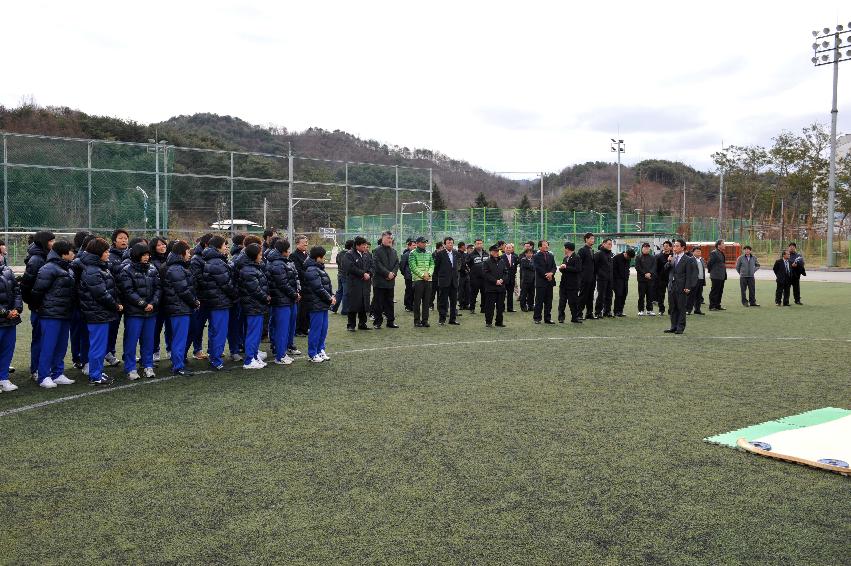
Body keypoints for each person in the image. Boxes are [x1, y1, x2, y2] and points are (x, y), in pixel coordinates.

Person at [30, 240, 76, 389]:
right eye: (71, 251)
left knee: (61, 345)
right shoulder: (48, 268)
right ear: (64, 253)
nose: (73, 253)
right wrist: (38, 307)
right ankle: (44, 376)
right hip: (51, 314)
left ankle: (58, 373)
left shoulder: (68, 269)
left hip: (64, 313)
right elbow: (37, 291)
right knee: (48, 346)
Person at [78, 237, 122, 386]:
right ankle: (95, 375)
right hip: (97, 314)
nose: (108, 253)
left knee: (99, 346)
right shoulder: (93, 270)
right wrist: (115, 305)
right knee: (97, 346)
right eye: (106, 251)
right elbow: (101, 294)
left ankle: (97, 371)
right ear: (98, 253)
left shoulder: (98, 267)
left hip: (100, 313)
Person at [118, 243, 161, 380]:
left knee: (148, 341)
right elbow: (128, 291)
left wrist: (152, 303)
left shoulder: (153, 269)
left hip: (151, 312)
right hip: (134, 313)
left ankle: (148, 365)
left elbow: (158, 289)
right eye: (143, 255)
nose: (146, 257)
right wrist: (142, 304)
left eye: (148, 254)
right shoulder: (126, 270)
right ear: (136, 255)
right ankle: (130, 368)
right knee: (131, 341)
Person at [199, 235, 239, 370]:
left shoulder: (214, 260)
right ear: (217, 247)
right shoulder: (217, 262)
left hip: (217, 301)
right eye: (224, 245)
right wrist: (235, 295)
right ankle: (216, 360)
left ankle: (214, 356)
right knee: (219, 332)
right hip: (219, 302)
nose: (227, 247)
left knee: (215, 330)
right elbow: (226, 284)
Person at [160, 240, 198, 376]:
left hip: (180, 308)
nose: (190, 255)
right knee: (179, 338)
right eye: (188, 252)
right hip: (179, 308)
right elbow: (183, 290)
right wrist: (194, 302)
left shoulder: (177, 267)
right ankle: (178, 366)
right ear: (181, 253)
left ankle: (179, 364)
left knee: (180, 337)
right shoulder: (176, 268)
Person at [20, 230, 55, 380]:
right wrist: (34, 304)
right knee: (39, 339)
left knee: (48, 339)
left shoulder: (47, 256)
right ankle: (36, 370)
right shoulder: (36, 260)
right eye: (51, 241)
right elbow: (26, 286)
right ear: (43, 242)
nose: (53, 243)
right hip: (39, 308)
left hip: (48, 306)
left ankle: (45, 368)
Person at [267, 239, 300, 365]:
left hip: (286, 299)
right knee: (281, 329)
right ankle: (280, 356)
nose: (289, 251)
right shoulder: (277, 264)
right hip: (281, 301)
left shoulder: (282, 262)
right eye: (288, 249)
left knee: (284, 328)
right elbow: (283, 283)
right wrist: (294, 294)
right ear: (284, 251)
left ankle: (282, 352)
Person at [238, 243, 271, 369]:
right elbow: (255, 289)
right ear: (254, 255)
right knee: (253, 333)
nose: (261, 256)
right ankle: (249, 360)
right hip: (253, 305)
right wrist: (265, 297)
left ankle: (254, 356)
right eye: (260, 254)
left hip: (257, 305)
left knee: (256, 333)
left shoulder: (253, 267)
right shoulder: (248, 269)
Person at [302, 245, 335, 363]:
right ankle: (312, 353)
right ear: (318, 257)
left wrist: (332, 295)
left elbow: (325, 285)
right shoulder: (311, 269)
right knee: (316, 329)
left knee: (323, 329)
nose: (324, 258)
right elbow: (318, 288)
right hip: (315, 304)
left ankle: (320, 349)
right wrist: (329, 298)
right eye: (322, 256)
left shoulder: (318, 268)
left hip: (322, 304)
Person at [106, 228, 130, 367]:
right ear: (114, 240)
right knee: (112, 327)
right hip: (115, 299)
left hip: (129, 299)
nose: (123, 240)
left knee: (128, 327)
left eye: (126, 238)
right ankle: (109, 351)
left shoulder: (131, 255)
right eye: (120, 238)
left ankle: (123, 353)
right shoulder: (109, 256)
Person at [663, 239, 698, 335]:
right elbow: (666, 269)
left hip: (682, 287)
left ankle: (680, 327)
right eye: (674, 246)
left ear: (683, 247)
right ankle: (673, 326)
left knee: (681, 308)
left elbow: (690, 274)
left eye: (677, 246)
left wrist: (688, 287)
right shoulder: (672, 258)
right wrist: (669, 262)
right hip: (671, 286)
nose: (674, 248)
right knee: (672, 307)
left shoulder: (688, 259)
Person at [189, 233, 213, 360]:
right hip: (201, 298)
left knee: (213, 324)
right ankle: (197, 350)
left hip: (212, 297)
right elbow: (197, 279)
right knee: (198, 325)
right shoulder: (196, 259)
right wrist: (213, 284)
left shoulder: (210, 256)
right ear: (206, 244)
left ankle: (211, 349)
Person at [0, 255, 22, 392]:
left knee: (7, 350)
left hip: (9, 321)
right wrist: (4, 312)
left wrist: (16, 309)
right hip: (4, 317)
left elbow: (17, 291)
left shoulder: (7, 271)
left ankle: (3, 378)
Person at [148, 236, 171, 362]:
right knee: (156, 328)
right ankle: (155, 350)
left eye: (163, 244)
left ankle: (170, 349)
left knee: (170, 327)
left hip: (169, 300)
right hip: (157, 301)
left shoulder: (169, 259)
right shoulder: (151, 262)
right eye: (158, 245)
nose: (162, 247)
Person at [344, 236, 373, 331]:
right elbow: (350, 268)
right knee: (353, 304)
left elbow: (372, 265)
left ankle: (362, 323)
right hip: (354, 283)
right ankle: (351, 325)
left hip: (366, 283)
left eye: (366, 245)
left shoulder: (367, 254)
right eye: (363, 245)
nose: (365, 247)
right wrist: (362, 273)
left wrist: (369, 273)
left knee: (364, 304)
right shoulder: (349, 255)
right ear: (357, 245)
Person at [372, 231, 399, 329]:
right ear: (382, 238)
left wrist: (393, 273)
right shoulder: (376, 251)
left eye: (391, 238)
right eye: (388, 238)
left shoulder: (394, 251)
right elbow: (377, 265)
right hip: (379, 282)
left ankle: (390, 322)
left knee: (390, 303)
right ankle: (377, 322)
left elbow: (396, 264)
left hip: (390, 282)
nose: (390, 240)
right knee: (378, 303)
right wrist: (387, 273)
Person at [433, 236, 462, 325]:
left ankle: (452, 319)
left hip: (454, 282)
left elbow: (459, 264)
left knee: (453, 302)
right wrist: (440, 278)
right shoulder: (440, 254)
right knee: (443, 302)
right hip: (444, 282)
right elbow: (436, 268)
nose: (450, 244)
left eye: (451, 243)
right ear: (444, 244)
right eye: (448, 243)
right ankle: (442, 320)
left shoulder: (456, 253)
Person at [409, 236, 435, 328]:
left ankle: (425, 320)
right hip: (418, 280)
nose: (425, 244)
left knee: (426, 301)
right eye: (423, 242)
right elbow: (413, 266)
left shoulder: (428, 253)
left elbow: (432, 264)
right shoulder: (412, 253)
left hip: (428, 280)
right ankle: (417, 321)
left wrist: (429, 274)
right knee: (417, 302)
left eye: (425, 242)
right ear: (418, 243)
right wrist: (423, 275)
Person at [482, 244, 507, 327]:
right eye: (495, 251)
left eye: (497, 251)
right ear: (491, 252)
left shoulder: (502, 261)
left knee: (500, 307)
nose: (497, 253)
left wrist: (502, 280)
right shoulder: (487, 262)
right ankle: (488, 322)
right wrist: (495, 281)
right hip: (491, 288)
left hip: (501, 288)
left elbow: (506, 273)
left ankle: (499, 322)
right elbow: (486, 274)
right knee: (490, 307)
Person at [532, 240, 556, 324]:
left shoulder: (551, 255)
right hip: (541, 282)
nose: (546, 246)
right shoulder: (536, 256)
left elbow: (554, 267)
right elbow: (537, 268)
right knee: (539, 301)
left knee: (549, 301)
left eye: (547, 245)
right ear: (539, 247)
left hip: (550, 282)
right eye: (544, 245)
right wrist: (547, 275)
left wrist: (551, 273)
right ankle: (537, 318)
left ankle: (547, 318)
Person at [557, 242, 582, 323]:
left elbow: (577, 269)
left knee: (573, 302)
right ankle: (561, 318)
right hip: (564, 283)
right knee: (562, 302)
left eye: (564, 248)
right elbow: (563, 269)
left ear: (567, 249)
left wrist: (566, 267)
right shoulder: (565, 258)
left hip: (573, 284)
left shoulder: (577, 257)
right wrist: (561, 268)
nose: (563, 249)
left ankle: (574, 318)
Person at [292, 235, 310, 337]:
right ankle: (298, 330)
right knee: (301, 309)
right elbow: (298, 271)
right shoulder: (294, 256)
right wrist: (310, 274)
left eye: (306, 242)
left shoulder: (308, 254)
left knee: (307, 308)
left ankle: (305, 328)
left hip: (308, 286)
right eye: (303, 242)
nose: (306, 244)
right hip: (301, 286)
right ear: (297, 244)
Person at [594, 238, 614, 318]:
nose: (610, 246)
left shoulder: (610, 254)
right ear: (604, 244)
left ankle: (607, 311)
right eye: (609, 244)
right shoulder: (598, 254)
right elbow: (595, 266)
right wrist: (599, 274)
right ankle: (598, 312)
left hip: (610, 278)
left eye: (611, 244)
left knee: (609, 295)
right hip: (601, 278)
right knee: (601, 295)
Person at [331, 239, 353, 314]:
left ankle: (334, 308)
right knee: (345, 293)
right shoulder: (349, 254)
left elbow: (337, 262)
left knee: (339, 292)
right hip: (345, 275)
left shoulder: (340, 253)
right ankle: (345, 310)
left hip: (339, 274)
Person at [577, 233, 596, 319]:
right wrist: (581, 276)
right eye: (591, 238)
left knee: (590, 295)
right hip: (584, 278)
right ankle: (579, 314)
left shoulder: (591, 250)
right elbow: (579, 264)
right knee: (583, 295)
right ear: (586, 239)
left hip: (592, 277)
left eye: (593, 239)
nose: (593, 240)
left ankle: (589, 313)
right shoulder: (582, 250)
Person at [635, 243, 657, 316]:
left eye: (647, 248)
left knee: (650, 295)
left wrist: (650, 273)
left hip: (650, 279)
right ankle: (641, 310)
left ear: (649, 249)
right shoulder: (638, 257)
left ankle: (649, 310)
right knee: (641, 296)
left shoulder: (653, 257)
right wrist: (645, 274)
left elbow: (654, 267)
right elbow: (637, 267)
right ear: (642, 248)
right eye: (645, 248)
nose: (646, 249)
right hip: (641, 280)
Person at [465, 239, 487, 313]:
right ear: (475, 245)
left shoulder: (486, 254)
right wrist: (470, 271)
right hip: (475, 278)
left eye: (481, 243)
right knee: (473, 294)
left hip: (485, 278)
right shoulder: (471, 254)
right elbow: (466, 264)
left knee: (484, 293)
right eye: (477, 243)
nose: (479, 245)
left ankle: (483, 308)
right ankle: (472, 308)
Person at [612, 247, 635, 317]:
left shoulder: (628, 259)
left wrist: (627, 275)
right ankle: (616, 311)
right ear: (626, 254)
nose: (629, 259)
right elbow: (613, 269)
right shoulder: (616, 258)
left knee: (624, 294)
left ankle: (621, 310)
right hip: (617, 280)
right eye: (628, 257)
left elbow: (627, 268)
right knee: (619, 295)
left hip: (625, 280)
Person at [707, 239, 727, 311]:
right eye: (723, 243)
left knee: (720, 291)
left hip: (721, 275)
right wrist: (712, 272)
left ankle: (717, 305)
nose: (724, 245)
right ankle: (712, 306)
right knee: (715, 291)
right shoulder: (714, 253)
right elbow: (709, 263)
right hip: (716, 275)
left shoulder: (721, 252)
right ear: (718, 245)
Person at [686, 247, 706, 315]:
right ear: (693, 252)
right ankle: (688, 310)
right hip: (693, 281)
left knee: (699, 296)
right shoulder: (690, 260)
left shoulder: (702, 259)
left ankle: (697, 310)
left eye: (700, 251)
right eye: (697, 251)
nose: (699, 253)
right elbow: (688, 271)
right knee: (691, 296)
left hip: (701, 280)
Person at [655, 241, 672, 315]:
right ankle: (661, 310)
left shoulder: (674, 256)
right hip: (661, 279)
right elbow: (656, 268)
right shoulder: (658, 256)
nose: (665, 247)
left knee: (671, 296)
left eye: (667, 246)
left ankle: (671, 310)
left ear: (670, 247)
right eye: (664, 246)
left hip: (671, 279)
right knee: (661, 295)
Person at [501, 243, 518, 312]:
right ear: (504, 249)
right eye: (507, 247)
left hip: (512, 279)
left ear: (512, 249)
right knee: (502, 294)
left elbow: (515, 268)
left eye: (509, 248)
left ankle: (510, 308)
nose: (508, 249)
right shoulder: (501, 257)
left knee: (510, 294)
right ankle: (501, 308)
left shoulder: (514, 257)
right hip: (504, 279)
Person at [399, 238, 414, 312]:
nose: (415, 247)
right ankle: (408, 305)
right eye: (413, 245)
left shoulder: (416, 254)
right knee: (409, 291)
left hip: (416, 277)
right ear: (409, 246)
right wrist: (405, 273)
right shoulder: (406, 255)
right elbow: (402, 266)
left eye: (415, 245)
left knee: (414, 291)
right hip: (408, 276)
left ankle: (413, 305)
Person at [456, 241, 470, 312]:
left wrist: (468, 269)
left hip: (466, 275)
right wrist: (464, 270)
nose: (466, 247)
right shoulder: (456, 254)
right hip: (460, 275)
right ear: (462, 246)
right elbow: (458, 265)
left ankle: (466, 304)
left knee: (467, 290)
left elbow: (467, 263)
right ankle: (461, 304)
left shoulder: (465, 255)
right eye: (465, 246)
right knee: (460, 290)